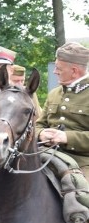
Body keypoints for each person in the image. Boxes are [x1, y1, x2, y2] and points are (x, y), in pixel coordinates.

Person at [36, 42, 89, 171]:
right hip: (44, 154)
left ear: (74, 71)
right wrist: (41, 134)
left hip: (81, 161)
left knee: (83, 191)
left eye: (59, 68)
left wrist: (67, 137)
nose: (55, 71)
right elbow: (38, 125)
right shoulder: (54, 93)